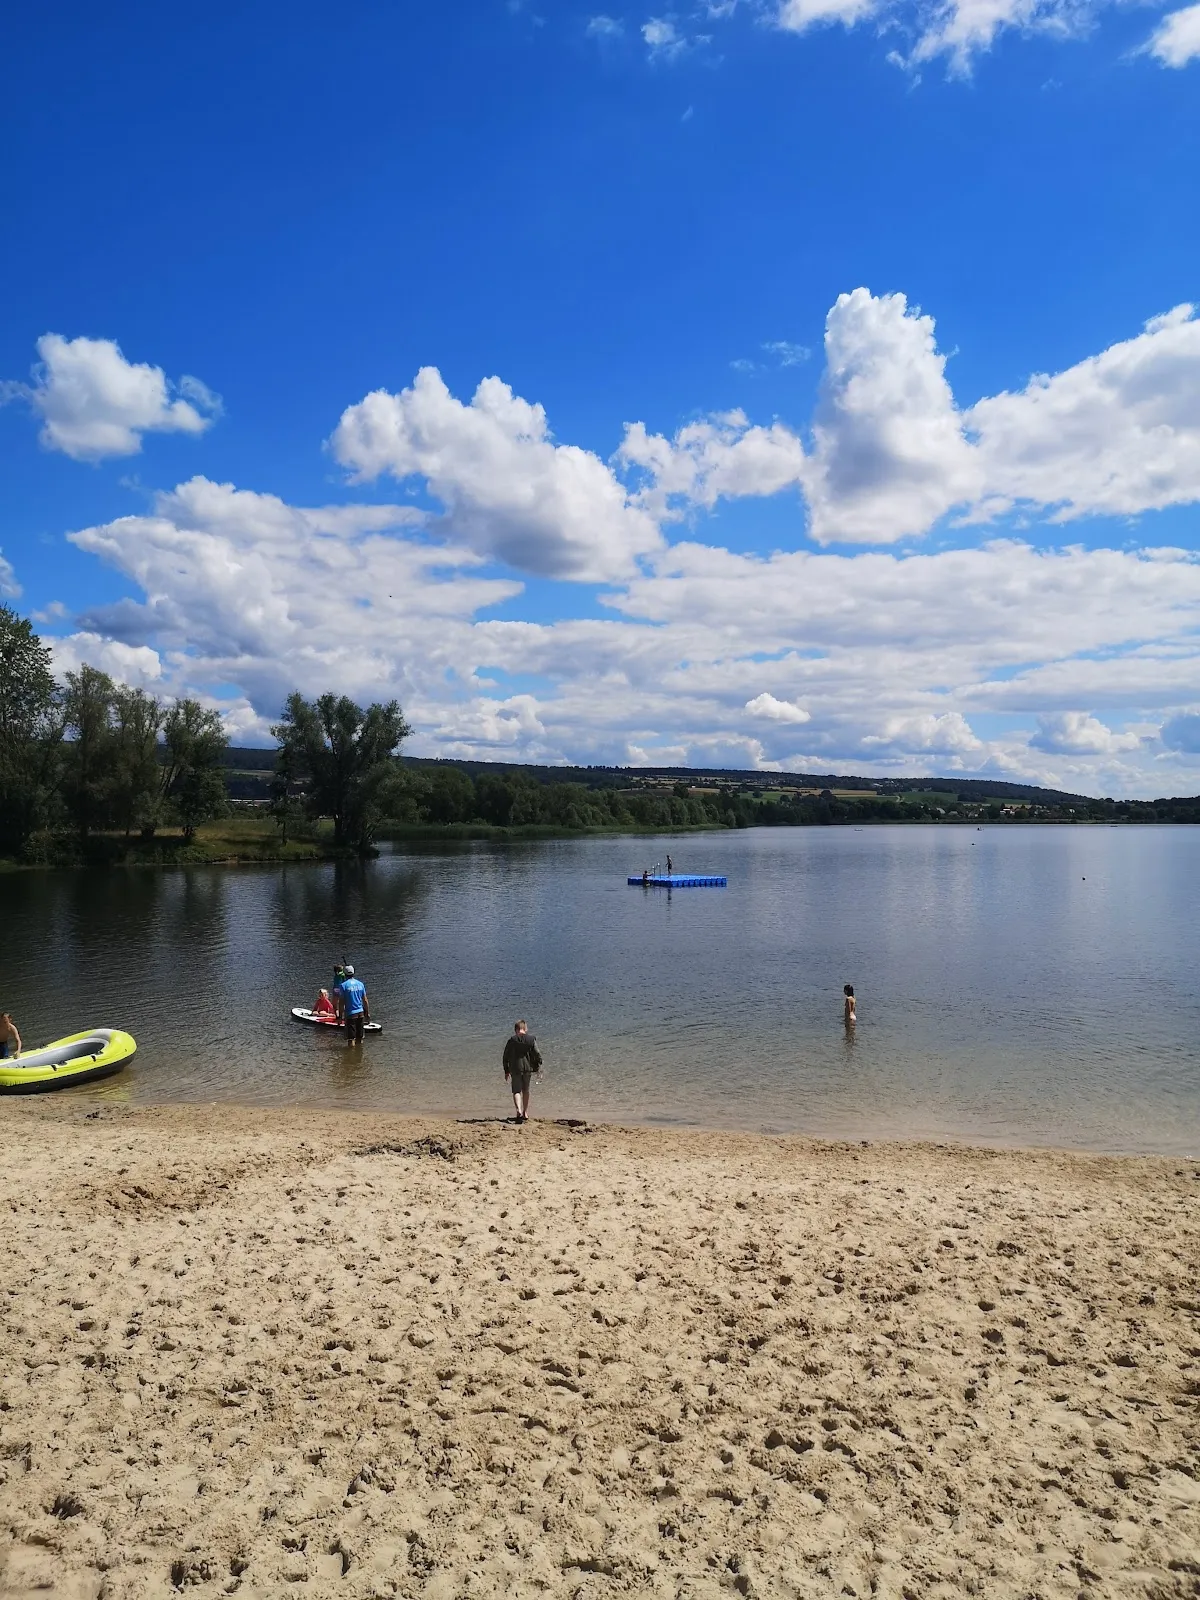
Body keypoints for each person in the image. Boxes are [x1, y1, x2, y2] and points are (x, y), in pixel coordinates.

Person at [502, 1019, 541, 1123]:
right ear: (525, 1028)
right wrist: (537, 1067)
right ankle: (525, 1112)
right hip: (528, 1068)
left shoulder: (512, 1040)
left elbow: (505, 1056)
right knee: (526, 1090)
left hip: (515, 1069)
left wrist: (506, 1070)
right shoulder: (531, 1039)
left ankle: (518, 1110)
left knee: (516, 1091)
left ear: (516, 1030)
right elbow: (537, 1054)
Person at [338, 966, 369, 1046]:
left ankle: (351, 1055)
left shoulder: (343, 985)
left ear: (344, 974)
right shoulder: (360, 984)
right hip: (360, 1013)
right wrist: (367, 1013)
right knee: (360, 1037)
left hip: (350, 1014)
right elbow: (365, 1000)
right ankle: (359, 1055)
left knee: (351, 1039)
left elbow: (341, 1003)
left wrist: (340, 1017)